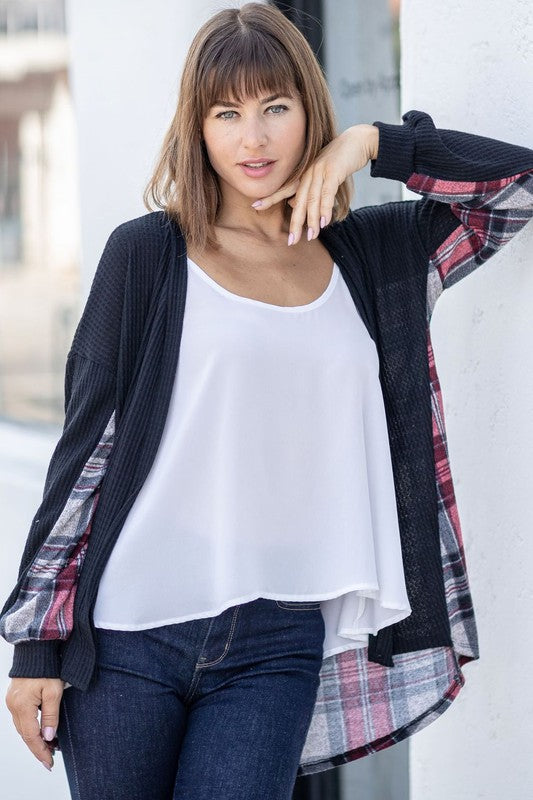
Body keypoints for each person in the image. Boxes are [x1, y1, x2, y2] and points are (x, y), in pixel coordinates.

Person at [1, 3, 532, 799]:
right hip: (127, 636)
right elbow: (85, 456)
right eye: (227, 113)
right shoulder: (148, 255)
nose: (253, 139)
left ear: (308, 114)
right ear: (199, 127)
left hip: (277, 638)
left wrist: (374, 144)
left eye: (275, 108)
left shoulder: (375, 256)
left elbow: (514, 191)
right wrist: (37, 646)